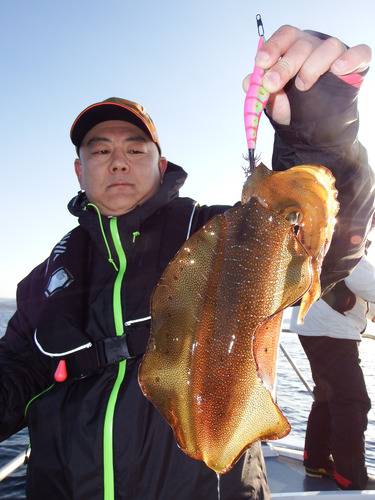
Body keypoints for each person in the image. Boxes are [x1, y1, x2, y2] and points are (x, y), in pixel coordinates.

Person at [0, 25, 374, 500]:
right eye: (101, 150)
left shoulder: (217, 232)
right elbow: (14, 370)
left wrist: (319, 134)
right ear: (80, 169)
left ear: (160, 165)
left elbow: (321, 243)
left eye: (136, 149)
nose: (119, 162)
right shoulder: (46, 280)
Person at [290, 245, 375, 491]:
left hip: (313, 327)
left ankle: (316, 462)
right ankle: (350, 476)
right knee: (352, 402)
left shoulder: (329, 244)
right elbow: (366, 283)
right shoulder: (349, 246)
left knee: (328, 397)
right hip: (332, 331)